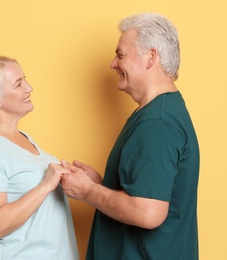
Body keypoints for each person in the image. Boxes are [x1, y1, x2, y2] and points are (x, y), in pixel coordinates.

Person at [60, 13, 200, 259]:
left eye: (121, 55)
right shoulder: (156, 114)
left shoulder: (158, 122)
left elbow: (148, 212)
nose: (113, 63)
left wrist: (87, 191)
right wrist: (100, 185)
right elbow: (144, 193)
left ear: (150, 57)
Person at [0, 56, 79, 259]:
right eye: (19, 84)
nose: (29, 88)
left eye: (24, 80)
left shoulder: (23, 139)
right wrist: (45, 185)